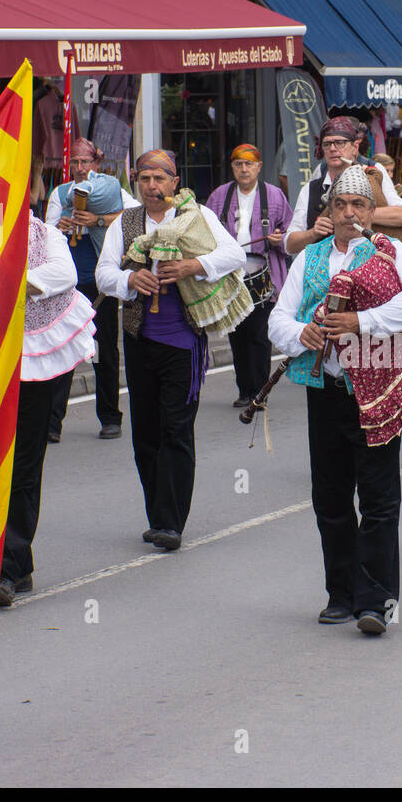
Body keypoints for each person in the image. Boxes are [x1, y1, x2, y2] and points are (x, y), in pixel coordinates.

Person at [268, 164, 402, 634]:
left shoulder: (390, 252)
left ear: (371, 210)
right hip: (326, 391)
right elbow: (278, 319)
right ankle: (340, 595)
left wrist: (363, 323)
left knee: (379, 497)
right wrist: (301, 332)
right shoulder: (311, 257)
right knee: (331, 496)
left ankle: (376, 600)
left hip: (375, 391)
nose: (348, 212)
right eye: (339, 204)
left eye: (358, 204)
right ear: (330, 209)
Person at [95, 149, 246, 552]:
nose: (152, 185)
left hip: (183, 339)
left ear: (174, 182)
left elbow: (234, 254)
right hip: (140, 337)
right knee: (145, 431)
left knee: (176, 428)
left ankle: (171, 522)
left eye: (160, 178)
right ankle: (157, 515)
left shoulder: (196, 216)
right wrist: (130, 280)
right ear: (136, 182)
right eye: (145, 178)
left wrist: (194, 267)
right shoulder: (125, 223)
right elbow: (103, 272)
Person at [0, 212, 97, 606]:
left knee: (21, 465)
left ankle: (9, 565)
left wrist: (7, 288)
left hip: (33, 354)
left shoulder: (44, 234)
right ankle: (11, 564)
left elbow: (63, 272)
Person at [45, 138, 139, 442]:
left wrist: (97, 219)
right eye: (75, 162)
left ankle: (110, 418)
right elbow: (46, 236)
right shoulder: (60, 194)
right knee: (63, 349)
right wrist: (61, 226)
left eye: (85, 162)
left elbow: (133, 217)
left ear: (95, 164)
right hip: (69, 284)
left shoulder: (112, 189)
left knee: (104, 351)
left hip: (100, 282)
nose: (80, 168)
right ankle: (52, 424)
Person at [205, 143, 293, 406]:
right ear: (232, 167)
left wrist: (280, 238)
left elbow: (290, 233)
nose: (243, 169)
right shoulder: (219, 196)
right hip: (230, 275)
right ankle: (245, 390)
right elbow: (205, 232)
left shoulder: (275, 195)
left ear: (258, 167)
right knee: (237, 334)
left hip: (263, 273)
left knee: (258, 335)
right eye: (238, 164)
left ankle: (258, 390)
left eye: (248, 164)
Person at [285, 116, 402, 254]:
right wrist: (313, 233)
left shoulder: (373, 172)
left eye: (340, 142)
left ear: (355, 147)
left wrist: (359, 215)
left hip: (372, 266)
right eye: (327, 144)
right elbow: (289, 245)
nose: (333, 149)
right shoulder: (311, 189)